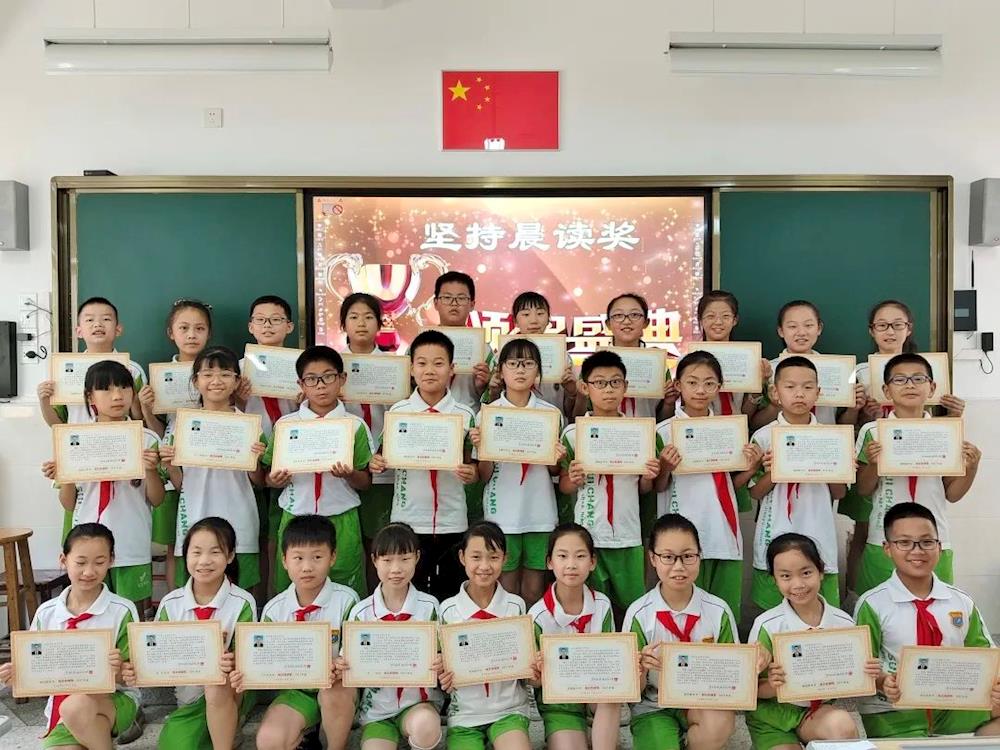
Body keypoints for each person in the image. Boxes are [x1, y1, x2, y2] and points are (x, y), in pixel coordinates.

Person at [842, 300, 966, 593]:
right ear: (872, 330)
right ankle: (856, 596)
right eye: (882, 325)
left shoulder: (929, 368)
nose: (890, 331)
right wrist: (862, 412)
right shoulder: (856, 371)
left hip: (917, 455)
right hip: (873, 452)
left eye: (897, 325)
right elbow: (844, 416)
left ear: (908, 329)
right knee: (866, 531)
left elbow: (936, 426)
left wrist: (955, 415)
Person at [854, 503, 1000, 739]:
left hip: (953, 706)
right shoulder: (873, 603)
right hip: (894, 713)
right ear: (887, 549)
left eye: (926, 542)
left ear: (939, 547)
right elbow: (862, 664)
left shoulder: (961, 601)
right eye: (904, 542)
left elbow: (986, 655)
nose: (917, 551)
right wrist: (883, 682)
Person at [41, 360, 167, 614]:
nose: (117, 396)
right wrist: (65, 474)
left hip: (131, 541)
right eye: (106, 389)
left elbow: (157, 499)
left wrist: (151, 470)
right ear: (90, 396)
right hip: (88, 545)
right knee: (91, 612)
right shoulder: (74, 439)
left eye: (124, 387)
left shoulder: (148, 440)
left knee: (130, 615)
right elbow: (68, 503)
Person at [0, 524, 142, 749]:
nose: (89, 571)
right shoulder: (46, 613)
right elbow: (35, 667)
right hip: (61, 706)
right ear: (64, 560)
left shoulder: (122, 610)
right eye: (81, 562)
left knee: (75, 707)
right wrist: (17, 675)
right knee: (73, 714)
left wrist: (118, 670)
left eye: (99, 562)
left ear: (111, 561)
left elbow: (134, 674)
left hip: (113, 700)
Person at [124, 517, 256, 749]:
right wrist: (137, 668)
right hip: (188, 699)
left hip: (231, 693)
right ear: (185, 556)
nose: (204, 561)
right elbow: (156, 657)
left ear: (230, 556)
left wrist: (233, 660)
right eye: (196, 552)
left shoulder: (243, 602)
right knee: (176, 745)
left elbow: (249, 660)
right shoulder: (170, 603)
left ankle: (230, 726)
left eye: (215, 552)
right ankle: (222, 731)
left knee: (217, 683)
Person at [855, 352, 981, 593]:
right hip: (883, 539)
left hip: (934, 539)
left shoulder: (946, 432)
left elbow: (952, 494)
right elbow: (863, 489)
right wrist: (873, 464)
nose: (910, 385)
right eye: (899, 379)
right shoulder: (873, 431)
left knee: (936, 605)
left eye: (918, 378)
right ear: (887, 390)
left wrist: (972, 467)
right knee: (879, 606)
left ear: (932, 388)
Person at [625, 513, 751, 750]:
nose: (679, 567)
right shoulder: (639, 614)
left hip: (704, 701)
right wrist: (640, 668)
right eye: (668, 557)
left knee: (719, 723)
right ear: (652, 558)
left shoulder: (717, 610)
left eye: (688, 556)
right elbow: (632, 692)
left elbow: (734, 677)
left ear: (699, 556)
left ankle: (693, 742)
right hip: (654, 707)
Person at [232, 515, 358, 750]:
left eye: (317, 557)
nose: (307, 567)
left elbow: (354, 655)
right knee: (269, 740)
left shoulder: (348, 601)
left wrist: (340, 664)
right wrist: (246, 673)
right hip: (296, 692)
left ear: (332, 557)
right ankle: (305, 731)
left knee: (335, 695)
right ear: (284, 560)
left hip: (335, 689)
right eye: (298, 558)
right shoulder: (274, 609)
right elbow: (262, 661)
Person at [369, 329, 477, 600]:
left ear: (452, 369)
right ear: (411, 369)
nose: (430, 370)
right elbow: (381, 456)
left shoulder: (465, 415)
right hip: (409, 519)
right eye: (422, 363)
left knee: (451, 592)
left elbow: (475, 467)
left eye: (438, 363)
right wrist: (377, 462)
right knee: (409, 593)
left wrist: (471, 472)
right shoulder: (398, 413)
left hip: (452, 518)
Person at [747, 533, 881, 750]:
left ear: (821, 571)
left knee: (842, 726)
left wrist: (867, 673)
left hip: (816, 712)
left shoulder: (843, 623)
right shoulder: (767, 625)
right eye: (786, 576)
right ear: (774, 579)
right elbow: (751, 691)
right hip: (772, 718)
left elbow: (853, 680)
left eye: (806, 573)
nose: (798, 584)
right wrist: (773, 685)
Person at [655, 351, 761, 621]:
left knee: (723, 613)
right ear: (678, 385)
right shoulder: (664, 431)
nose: (700, 390)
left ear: (719, 387)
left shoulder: (730, 429)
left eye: (709, 383)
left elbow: (732, 484)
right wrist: (665, 466)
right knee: (683, 611)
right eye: (692, 382)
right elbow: (657, 487)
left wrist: (751, 468)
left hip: (722, 529)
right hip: (680, 532)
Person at [36, 296, 149, 546]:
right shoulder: (64, 370)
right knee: (79, 526)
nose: (98, 324)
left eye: (106, 319)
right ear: (79, 330)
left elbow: (139, 419)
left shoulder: (132, 370)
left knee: (122, 519)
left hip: (119, 457)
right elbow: (58, 424)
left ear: (118, 329)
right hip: (80, 458)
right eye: (89, 320)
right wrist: (44, 401)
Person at [263, 346, 373, 597]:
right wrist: (275, 480)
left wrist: (349, 474)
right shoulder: (286, 425)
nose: (321, 385)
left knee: (346, 591)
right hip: (295, 516)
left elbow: (366, 481)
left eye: (328, 377)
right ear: (301, 384)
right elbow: (267, 476)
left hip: (341, 518)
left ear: (342, 379)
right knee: (293, 590)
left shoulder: (355, 426)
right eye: (312, 379)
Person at [559, 349, 661, 612]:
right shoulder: (573, 433)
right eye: (600, 383)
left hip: (628, 534)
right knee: (591, 608)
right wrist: (573, 478)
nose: (608, 389)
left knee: (631, 608)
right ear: (585, 387)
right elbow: (565, 486)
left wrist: (648, 477)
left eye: (615, 382)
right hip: (589, 535)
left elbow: (644, 488)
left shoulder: (639, 432)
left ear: (625, 386)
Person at [159, 346, 266, 590]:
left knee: (241, 589)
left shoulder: (249, 425)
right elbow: (181, 484)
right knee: (194, 589)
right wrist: (170, 465)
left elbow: (259, 481)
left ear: (236, 381)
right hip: (195, 513)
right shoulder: (183, 424)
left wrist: (254, 460)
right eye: (207, 374)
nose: (216, 381)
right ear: (195, 381)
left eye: (225, 374)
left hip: (239, 515)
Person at [471, 338, 565, 605]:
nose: (520, 370)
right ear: (500, 371)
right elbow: (484, 475)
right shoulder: (488, 414)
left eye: (528, 363)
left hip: (540, 512)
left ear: (538, 372)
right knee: (507, 590)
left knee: (535, 590)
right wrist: (484, 449)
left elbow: (554, 470)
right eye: (513, 363)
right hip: (502, 513)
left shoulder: (551, 414)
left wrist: (556, 457)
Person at [749, 356, 846, 610]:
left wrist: (829, 466)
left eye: (807, 387)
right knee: (774, 613)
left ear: (818, 392)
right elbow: (755, 493)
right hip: (775, 528)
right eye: (790, 387)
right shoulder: (763, 437)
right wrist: (775, 471)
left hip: (818, 528)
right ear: (775, 393)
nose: (799, 394)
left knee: (820, 613)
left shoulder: (831, 437)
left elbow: (839, 492)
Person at [342, 522, 445, 750]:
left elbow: (443, 654)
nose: (396, 569)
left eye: (405, 559)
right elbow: (348, 663)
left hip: (419, 704)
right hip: (377, 711)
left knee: (426, 727)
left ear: (417, 557)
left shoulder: (430, 607)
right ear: (374, 560)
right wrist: (343, 665)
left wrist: (442, 661)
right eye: (387, 560)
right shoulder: (361, 612)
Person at [439, 522, 536, 750]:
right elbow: (441, 668)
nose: (484, 566)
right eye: (476, 557)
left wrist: (534, 667)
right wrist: (441, 673)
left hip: (509, 711)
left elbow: (527, 670)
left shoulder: (516, 606)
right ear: (462, 557)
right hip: (464, 716)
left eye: (493, 557)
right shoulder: (447, 610)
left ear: (505, 559)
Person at [141, 297, 213, 588]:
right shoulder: (161, 375)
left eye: (199, 328)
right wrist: (146, 409)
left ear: (208, 333)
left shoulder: (218, 372)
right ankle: (175, 605)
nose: (192, 335)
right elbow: (160, 431)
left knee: (213, 540)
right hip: (172, 460)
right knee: (176, 546)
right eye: (184, 328)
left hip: (208, 463)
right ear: (171, 333)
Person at [527, 524, 618, 750]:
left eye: (580, 556)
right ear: (549, 562)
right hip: (560, 705)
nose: (571, 565)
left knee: (613, 695)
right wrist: (536, 671)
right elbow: (533, 682)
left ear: (592, 562)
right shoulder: (537, 616)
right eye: (562, 556)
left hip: (597, 695)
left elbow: (612, 662)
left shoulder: (602, 605)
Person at [237, 294, 299, 599]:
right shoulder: (237, 369)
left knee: (279, 536)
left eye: (276, 319)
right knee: (254, 536)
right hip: (249, 458)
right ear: (251, 326)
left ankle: (277, 598)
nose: (268, 325)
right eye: (260, 320)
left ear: (289, 326)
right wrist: (238, 399)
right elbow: (227, 414)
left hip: (290, 460)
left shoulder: (302, 367)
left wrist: (304, 402)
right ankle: (258, 602)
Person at [340, 292, 399, 591]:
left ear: (379, 323)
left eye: (368, 317)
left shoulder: (395, 367)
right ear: (343, 325)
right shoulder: (332, 367)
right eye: (353, 317)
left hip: (384, 467)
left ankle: (382, 601)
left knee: (381, 543)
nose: (361, 323)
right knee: (351, 544)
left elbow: (400, 417)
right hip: (343, 467)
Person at [750, 300, 865, 431]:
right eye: (792, 326)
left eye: (808, 325)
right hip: (783, 441)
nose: (801, 332)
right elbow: (755, 425)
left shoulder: (838, 369)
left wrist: (853, 410)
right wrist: (774, 406)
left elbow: (844, 426)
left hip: (825, 440)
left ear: (819, 328)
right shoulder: (768, 370)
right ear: (781, 331)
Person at [489, 291, 578, 419]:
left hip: (551, 423)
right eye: (526, 314)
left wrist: (572, 392)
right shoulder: (501, 356)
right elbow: (493, 406)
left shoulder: (563, 357)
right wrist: (494, 391)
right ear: (515, 321)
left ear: (549, 319)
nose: (534, 321)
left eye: (540, 313)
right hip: (511, 424)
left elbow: (569, 412)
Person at [432, 271, 493, 413]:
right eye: (447, 297)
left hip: (467, 418)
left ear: (472, 304)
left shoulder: (483, 348)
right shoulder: (420, 344)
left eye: (461, 298)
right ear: (435, 303)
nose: (454, 303)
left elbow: (493, 398)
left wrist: (483, 386)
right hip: (427, 418)